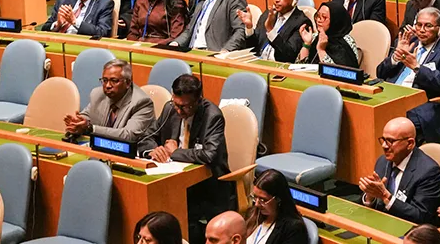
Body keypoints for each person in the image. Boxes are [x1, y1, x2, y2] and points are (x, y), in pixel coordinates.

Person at [143, 75, 231, 238]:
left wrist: (174, 152)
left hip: (206, 186)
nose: (178, 110)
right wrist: (153, 150)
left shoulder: (213, 116)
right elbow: (147, 136)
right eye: (176, 104)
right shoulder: (170, 108)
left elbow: (209, 155)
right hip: (173, 179)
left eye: (184, 107)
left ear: (198, 100)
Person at [379, 8, 440, 142]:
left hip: (421, 106)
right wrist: (395, 57)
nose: (422, 30)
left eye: (428, 26)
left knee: (388, 122)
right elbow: (380, 73)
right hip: (391, 98)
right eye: (419, 25)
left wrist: (417, 68)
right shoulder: (408, 42)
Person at [359, 116, 440, 224]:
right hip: (381, 224)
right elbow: (375, 205)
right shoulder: (382, 161)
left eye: (390, 141)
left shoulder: (429, 172)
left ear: (410, 143)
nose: (384, 145)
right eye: (383, 140)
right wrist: (370, 197)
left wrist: (386, 197)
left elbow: (421, 216)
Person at [64, 58, 155, 142]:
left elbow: (128, 135)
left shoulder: (142, 103)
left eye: (114, 81)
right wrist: (77, 123)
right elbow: (87, 115)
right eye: (105, 80)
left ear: (127, 83)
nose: (108, 86)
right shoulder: (98, 94)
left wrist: (90, 128)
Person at [245, 170, 310, 244]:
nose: (256, 204)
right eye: (255, 197)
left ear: (278, 199)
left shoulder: (294, 229)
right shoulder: (252, 214)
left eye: (263, 200)